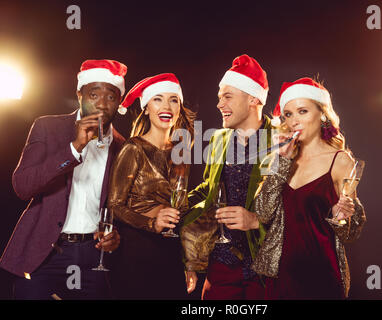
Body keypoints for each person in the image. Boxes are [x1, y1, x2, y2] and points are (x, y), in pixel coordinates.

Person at [0, 59, 126, 299]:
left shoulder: (123, 146)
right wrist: (75, 147)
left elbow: (119, 205)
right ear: (79, 94)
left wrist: (115, 236)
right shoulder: (48, 127)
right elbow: (23, 186)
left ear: (118, 102)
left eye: (111, 96)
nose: (101, 103)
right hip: (43, 253)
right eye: (93, 94)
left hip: (93, 256)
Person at [252, 77, 367, 299]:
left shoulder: (341, 161)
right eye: (288, 114)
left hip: (321, 277)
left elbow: (351, 232)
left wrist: (341, 217)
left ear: (322, 114)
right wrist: (281, 163)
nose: (294, 120)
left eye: (302, 111)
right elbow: (262, 213)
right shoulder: (281, 158)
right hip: (280, 277)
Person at [181, 54, 273, 300]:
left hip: (265, 269)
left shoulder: (282, 140)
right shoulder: (218, 139)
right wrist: (174, 204)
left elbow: (295, 207)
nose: (219, 104)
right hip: (221, 266)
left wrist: (256, 220)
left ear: (254, 98)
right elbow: (208, 190)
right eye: (219, 97)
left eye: (227, 96)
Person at [107, 73, 196, 299]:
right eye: (158, 99)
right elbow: (115, 205)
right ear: (146, 107)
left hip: (170, 250)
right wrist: (150, 223)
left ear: (179, 108)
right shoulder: (133, 148)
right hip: (136, 249)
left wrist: (190, 262)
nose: (166, 105)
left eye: (173, 100)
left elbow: (182, 209)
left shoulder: (181, 152)